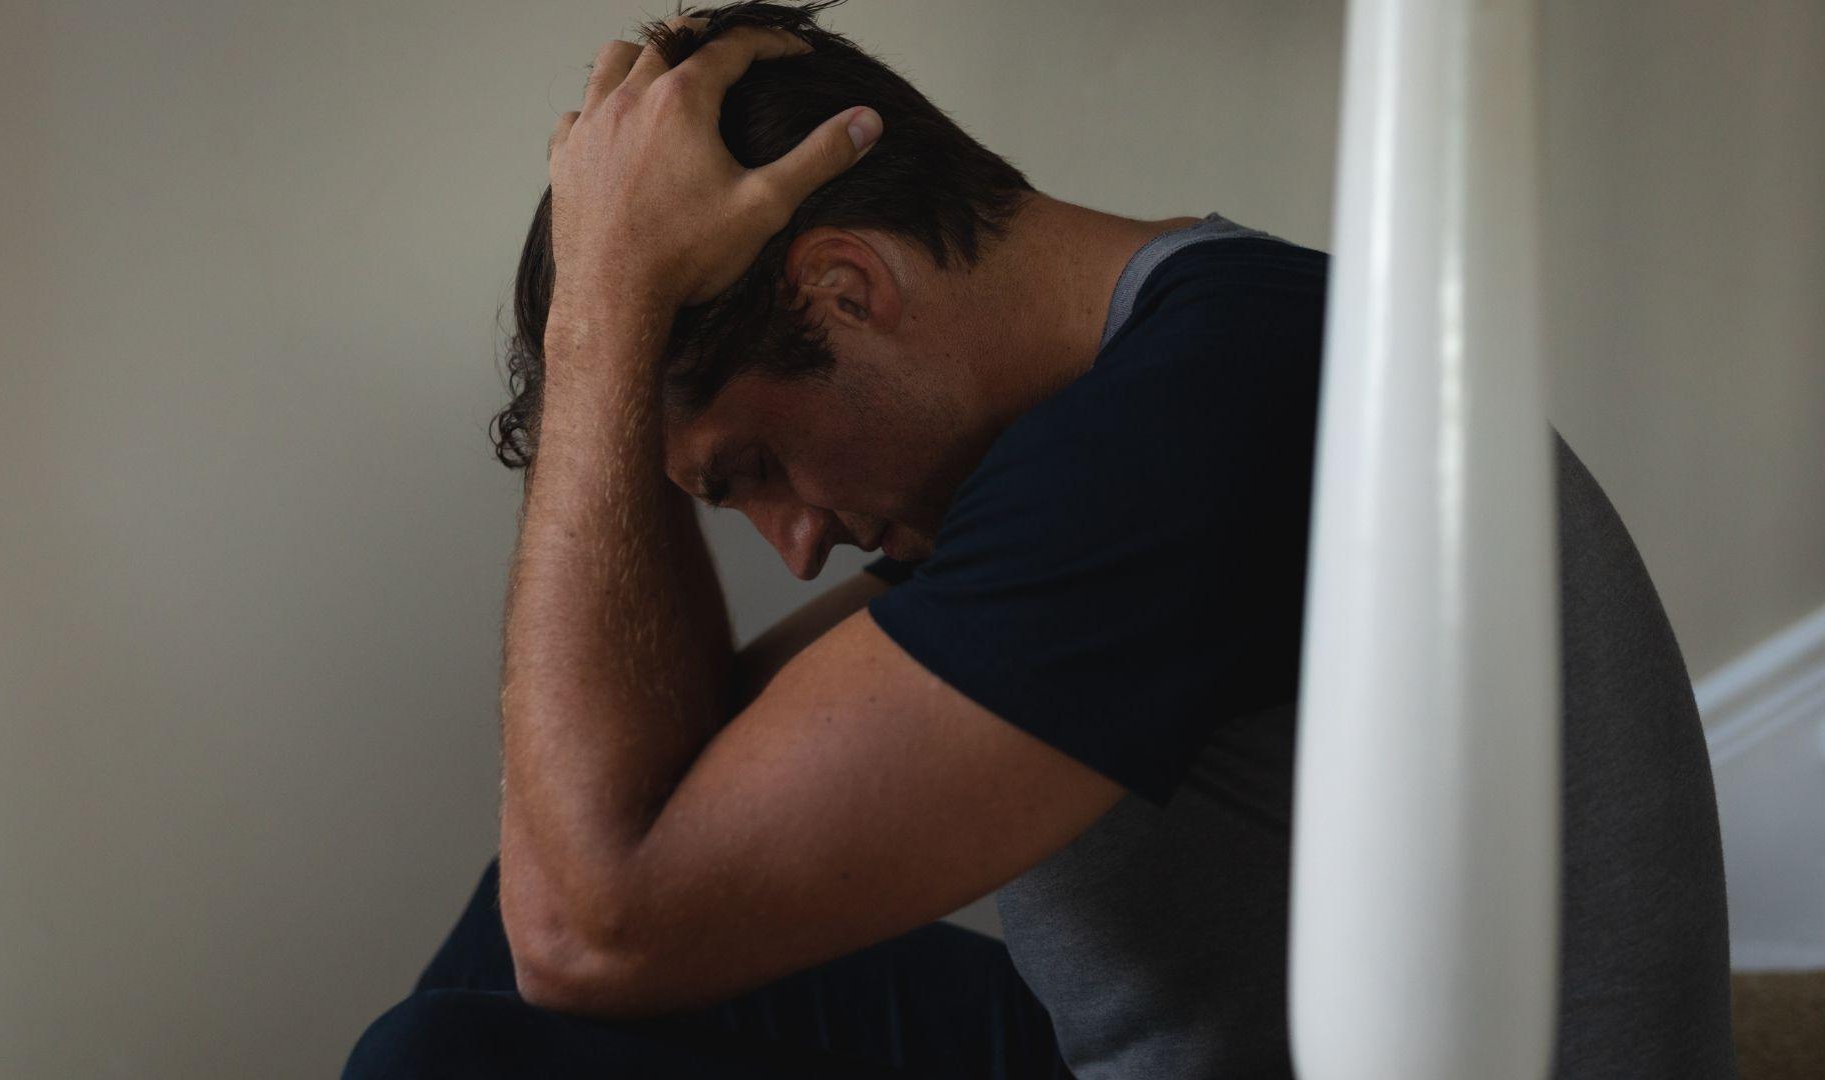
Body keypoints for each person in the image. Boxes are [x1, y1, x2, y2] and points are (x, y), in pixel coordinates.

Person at [344, 3, 1736, 1077]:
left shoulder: (1184, 429)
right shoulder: (1179, 365)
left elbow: (596, 920)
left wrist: (607, 314)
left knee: (450, 1058)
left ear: (845, 290)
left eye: (756, 470)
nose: (798, 546)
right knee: (510, 943)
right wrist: (611, 330)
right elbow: (654, 791)